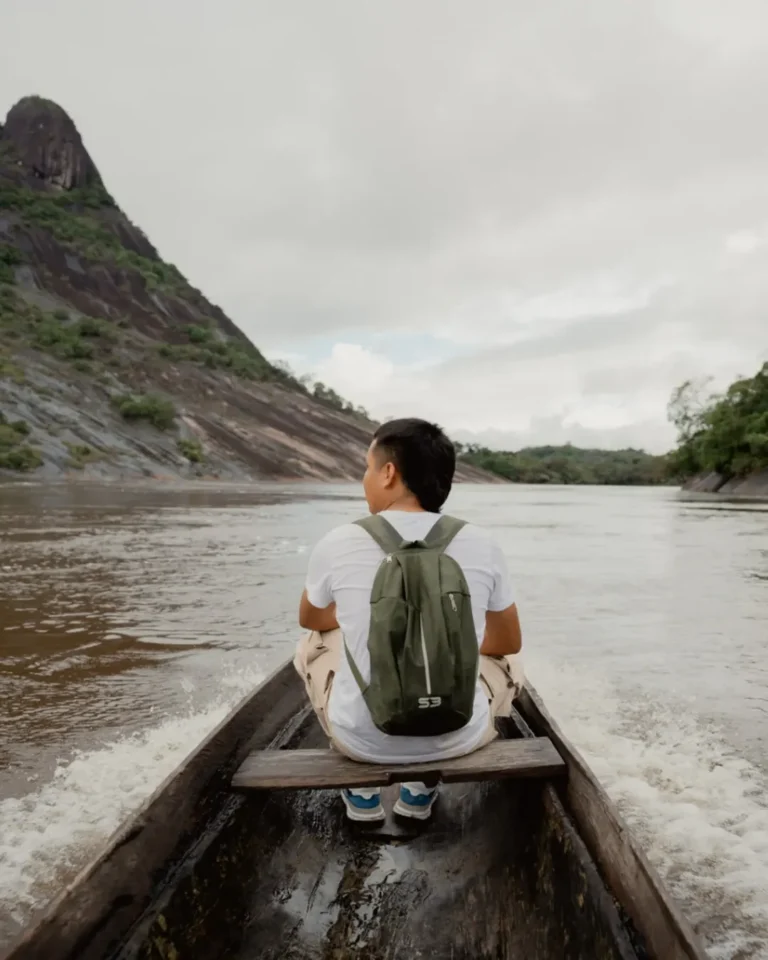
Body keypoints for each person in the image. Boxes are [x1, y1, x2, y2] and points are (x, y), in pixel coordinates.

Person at [295, 417, 523, 822]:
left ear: (388, 473)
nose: (364, 478)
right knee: (510, 661)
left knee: (313, 643)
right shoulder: (484, 544)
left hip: (362, 742)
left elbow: (311, 617)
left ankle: (363, 792)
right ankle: (421, 790)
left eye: (367, 467)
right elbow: (507, 641)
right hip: (459, 739)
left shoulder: (338, 540)